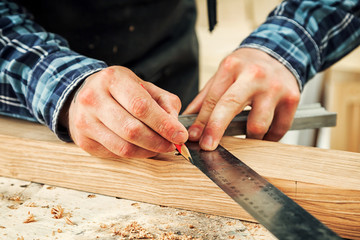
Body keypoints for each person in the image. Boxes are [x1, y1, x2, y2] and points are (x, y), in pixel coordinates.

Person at [0, 0, 359, 159]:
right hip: (23, 93)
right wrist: (62, 83)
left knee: (183, 143)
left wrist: (287, 43)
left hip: (166, 59)